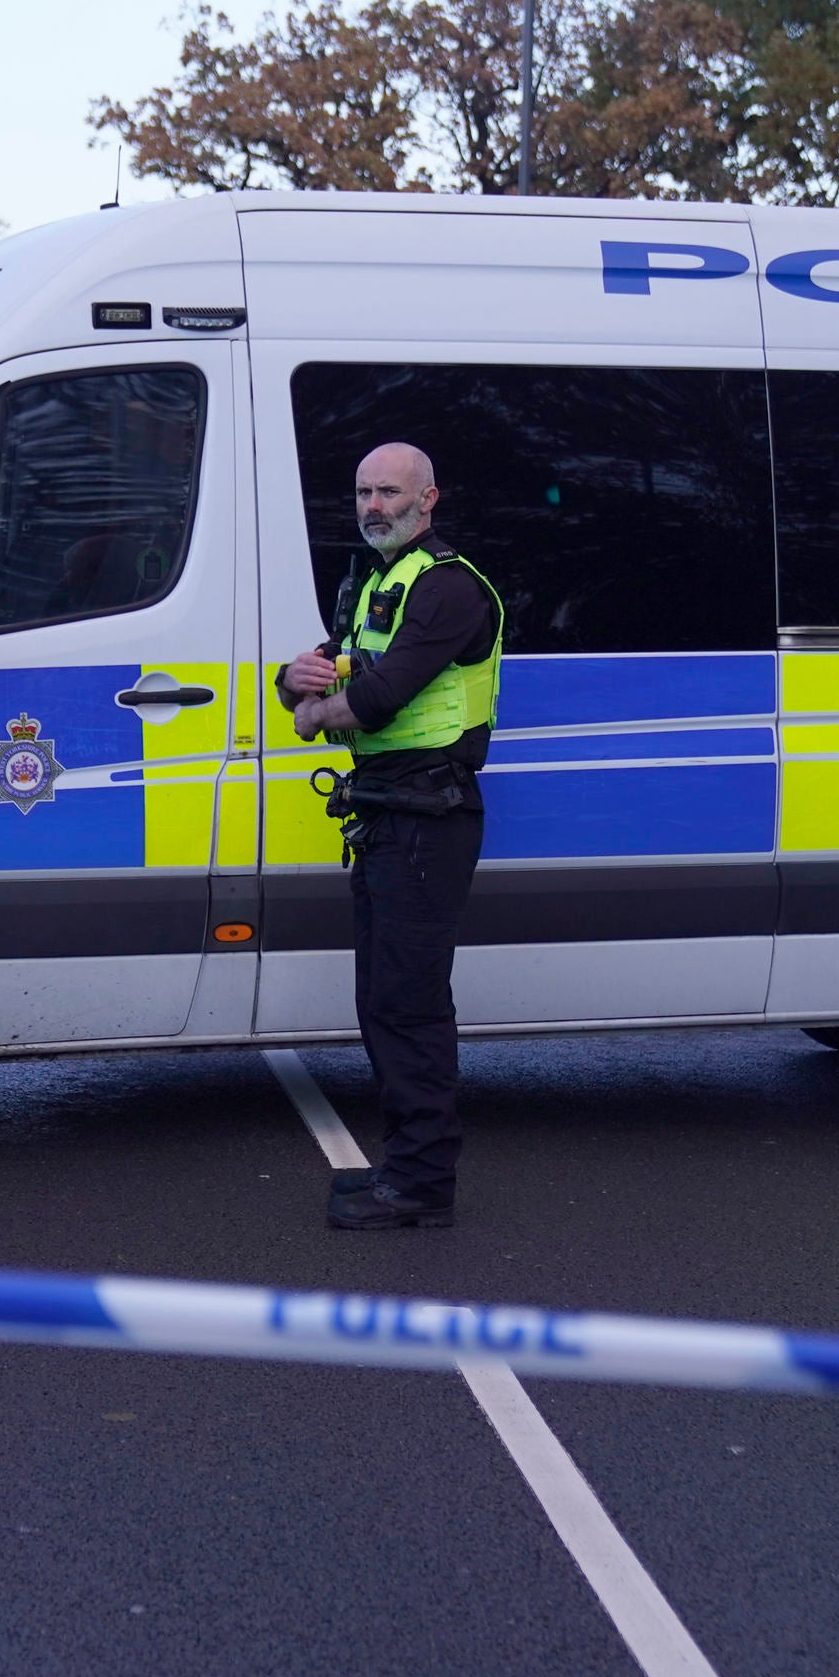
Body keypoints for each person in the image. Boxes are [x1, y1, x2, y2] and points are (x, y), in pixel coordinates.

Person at [279, 442, 504, 1230]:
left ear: (428, 498)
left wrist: (314, 712)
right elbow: (326, 668)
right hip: (385, 811)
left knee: (409, 1005)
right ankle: (404, 1165)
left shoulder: (448, 588)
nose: (373, 505)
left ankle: (421, 1183)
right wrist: (293, 684)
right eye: (364, 492)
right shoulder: (372, 579)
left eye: (389, 492)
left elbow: (376, 698)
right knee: (380, 1000)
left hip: (429, 815)